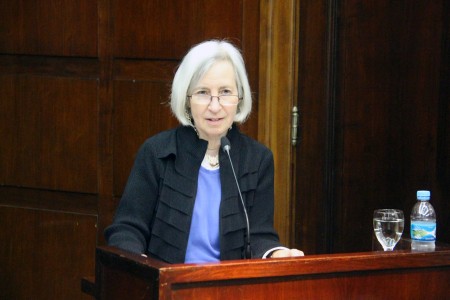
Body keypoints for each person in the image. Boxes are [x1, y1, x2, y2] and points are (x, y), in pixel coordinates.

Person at [105, 39, 304, 263]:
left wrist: (277, 253)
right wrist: (141, 268)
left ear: (239, 98)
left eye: (225, 91)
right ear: (187, 99)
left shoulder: (258, 159)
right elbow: (127, 229)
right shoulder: (157, 153)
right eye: (202, 92)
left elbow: (259, 236)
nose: (215, 106)